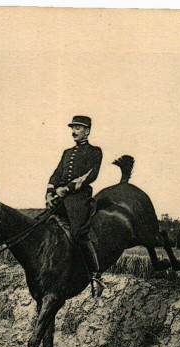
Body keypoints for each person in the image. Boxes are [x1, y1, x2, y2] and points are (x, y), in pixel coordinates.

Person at [46, 115, 104, 297]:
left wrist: (68, 189)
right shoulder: (67, 153)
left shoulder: (95, 151)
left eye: (78, 128)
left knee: (79, 233)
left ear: (87, 131)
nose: (74, 131)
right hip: (60, 198)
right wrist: (50, 192)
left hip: (79, 198)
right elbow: (56, 174)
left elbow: (90, 175)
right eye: (72, 128)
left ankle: (95, 275)